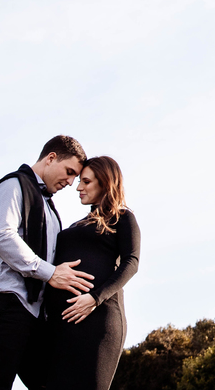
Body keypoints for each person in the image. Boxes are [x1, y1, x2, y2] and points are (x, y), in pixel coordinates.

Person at [0, 135, 96, 390]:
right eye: (69, 171)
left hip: (33, 314)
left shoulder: (50, 209)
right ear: (51, 158)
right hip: (4, 303)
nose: (71, 182)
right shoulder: (13, 186)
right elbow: (0, 236)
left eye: (76, 177)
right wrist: (50, 273)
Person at [45, 155, 141, 390]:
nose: (78, 187)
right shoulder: (74, 226)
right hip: (61, 325)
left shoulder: (122, 217)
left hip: (99, 321)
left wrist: (94, 299)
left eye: (86, 182)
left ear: (105, 181)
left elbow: (132, 263)